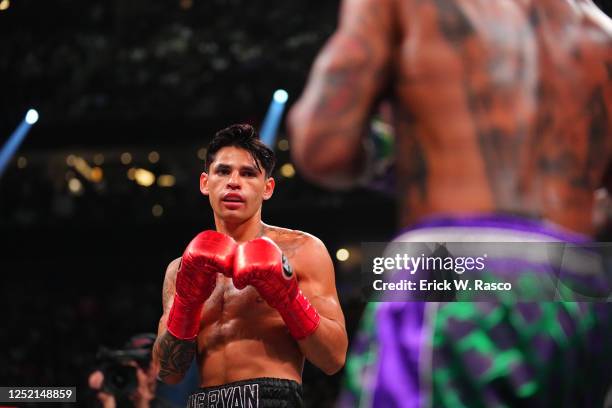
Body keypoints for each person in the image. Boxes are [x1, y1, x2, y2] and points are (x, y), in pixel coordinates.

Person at [288, 0, 612, 406]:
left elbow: (323, 148)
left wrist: (394, 153)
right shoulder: (601, 32)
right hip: (579, 285)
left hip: (456, 271)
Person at [152, 124, 348, 407]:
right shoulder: (180, 269)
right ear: (205, 183)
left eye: (248, 173)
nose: (234, 182)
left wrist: (287, 297)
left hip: (271, 397)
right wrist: (187, 303)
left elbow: (333, 358)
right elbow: (167, 372)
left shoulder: (302, 250)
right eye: (223, 171)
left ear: (267, 188)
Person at [89, 333, 176, 408]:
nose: (139, 373)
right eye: (133, 367)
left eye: (143, 366)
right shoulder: (106, 397)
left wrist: (142, 404)